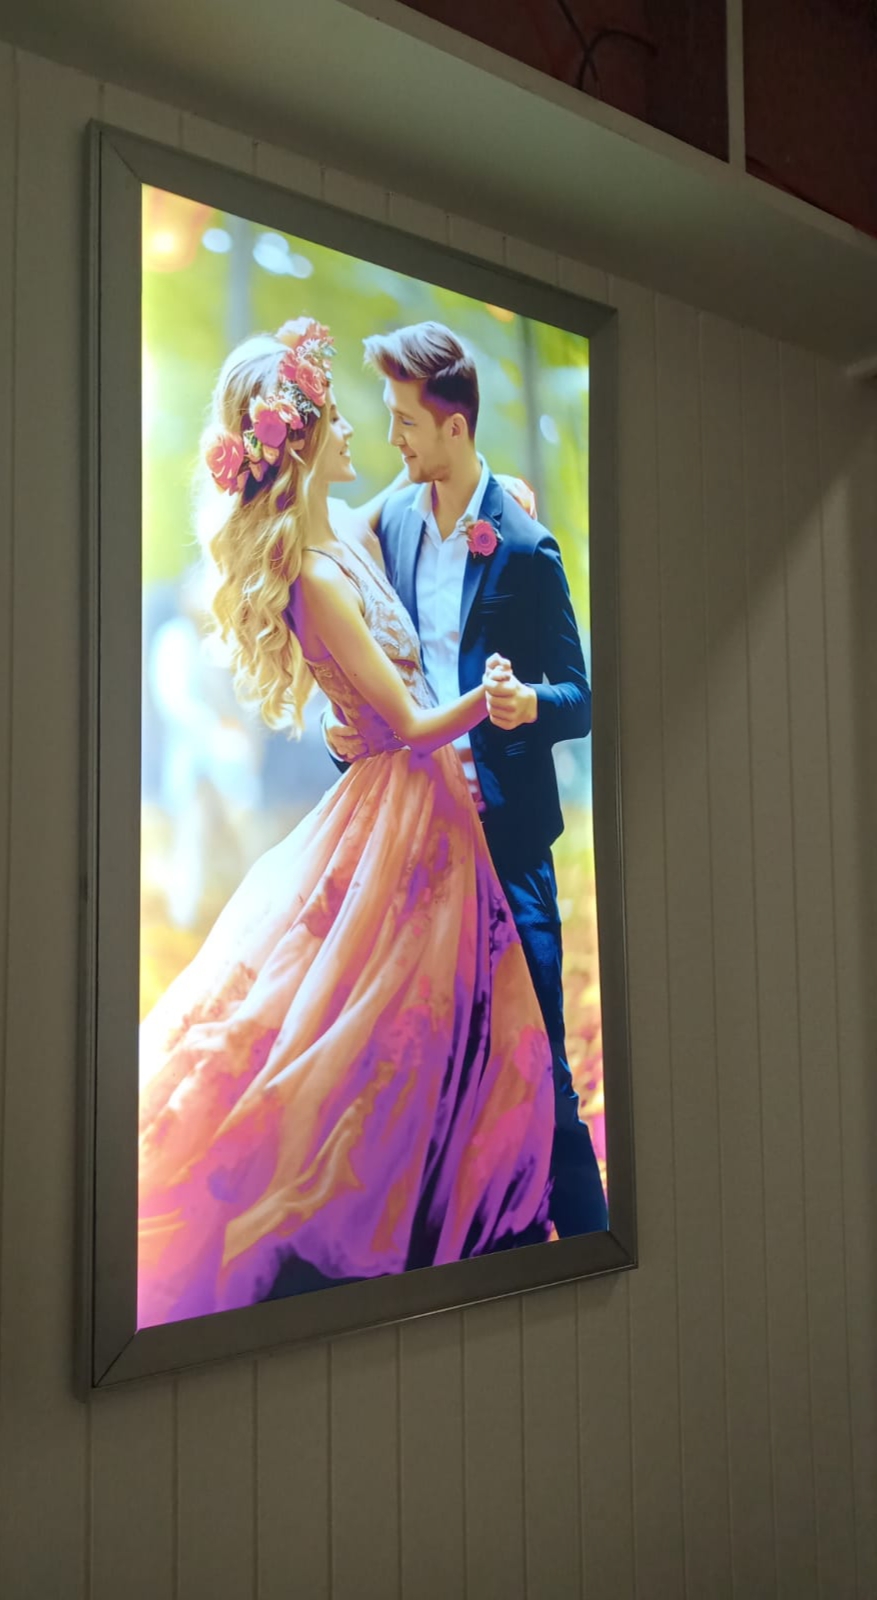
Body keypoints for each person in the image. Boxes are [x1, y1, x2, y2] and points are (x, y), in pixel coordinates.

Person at [136, 318, 556, 1328]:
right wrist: (493, 694)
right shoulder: (318, 579)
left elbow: (403, 505)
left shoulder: (341, 537)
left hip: (423, 804)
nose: (360, 429)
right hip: (404, 806)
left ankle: (440, 1189)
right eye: (335, 415)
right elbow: (408, 723)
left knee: (415, 1012)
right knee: (379, 1016)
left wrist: (494, 496)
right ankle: (376, 1218)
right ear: (308, 442)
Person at [348, 320, 608, 1238]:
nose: (391, 437)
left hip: (508, 839)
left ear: (453, 428)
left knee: (542, 1055)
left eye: (405, 421)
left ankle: (590, 1240)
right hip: (419, 842)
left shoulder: (527, 547)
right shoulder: (390, 527)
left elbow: (581, 698)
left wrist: (526, 705)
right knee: (432, 1061)